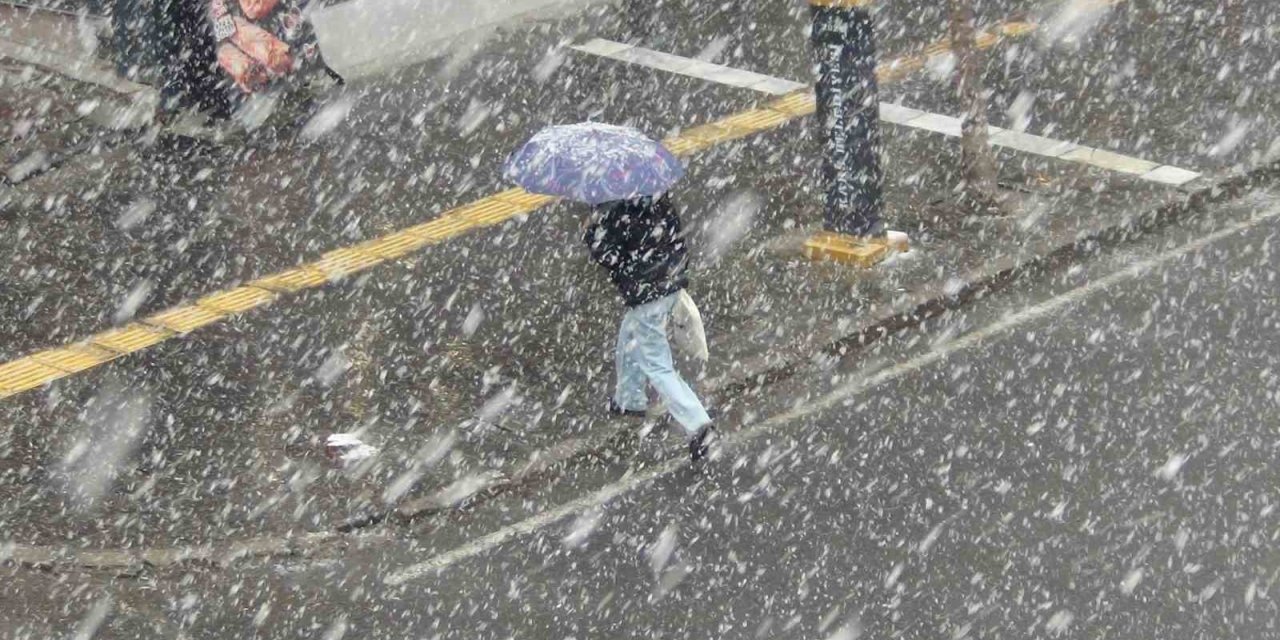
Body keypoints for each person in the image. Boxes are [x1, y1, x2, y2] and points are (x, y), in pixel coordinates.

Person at [583, 194, 718, 461]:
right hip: (668, 280)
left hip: (646, 294)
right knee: (629, 337)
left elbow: (609, 256)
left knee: (656, 364)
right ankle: (629, 400)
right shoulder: (656, 194)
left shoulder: (612, 209)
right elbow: (676, 235)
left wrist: (591, 231)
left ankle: (700, 426)